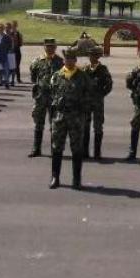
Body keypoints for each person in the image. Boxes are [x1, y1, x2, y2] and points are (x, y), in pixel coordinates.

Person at [48, 48, 91, 189]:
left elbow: (88, 96)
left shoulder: (83, 77)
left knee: (76, 149)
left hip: (76, 118)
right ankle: (55, 177)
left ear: (75, 60)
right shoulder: (56, 76)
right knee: (56, 148)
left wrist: (82, 111)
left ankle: (76, 179)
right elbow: (51, 96)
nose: (70, 61)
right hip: (59, 118)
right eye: (67, 59)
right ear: (64, 60)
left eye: (72, 59)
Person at [28, 38, 64, 157]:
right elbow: (33, 76)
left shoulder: (60, 62)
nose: (50, 48)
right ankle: (36, 148)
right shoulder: (37, 61)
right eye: (47, 46)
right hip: (41, 97)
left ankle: (54, 149)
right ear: (44, 47)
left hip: (54, 98)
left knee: (54, 124)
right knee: (38, 123)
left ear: (55, 47)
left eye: (52, 46)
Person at [82, 46, 112, 160]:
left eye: (95, 55)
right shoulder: (84, 69)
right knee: (85, 126)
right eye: (91, 55)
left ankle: (97, 152)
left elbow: (109, 85)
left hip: (98, 102)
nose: (92, 57)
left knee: (98, 126)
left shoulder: (103, 69)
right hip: (86, 102)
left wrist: (101, 94)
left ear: (99, 56)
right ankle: (85, 151)